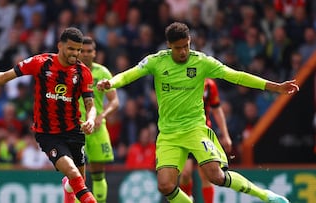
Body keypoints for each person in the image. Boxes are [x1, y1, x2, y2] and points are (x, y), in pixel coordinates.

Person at [97, 22, 299, 203]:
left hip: (195, 129)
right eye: (178, 48)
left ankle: (266, 196)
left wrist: (275, 87)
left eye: (186, 45)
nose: (184, 51)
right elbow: (129, 74)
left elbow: (236, 76)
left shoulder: (201, 62)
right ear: (169, 46)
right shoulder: (156, 61)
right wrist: (111, 83)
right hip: (168, 135)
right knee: (165, 186)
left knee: (216, 177)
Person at [0, 27, 98, 203]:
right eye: (71, 48)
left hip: (74, 130)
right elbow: (6, 76)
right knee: (75, 176)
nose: (75, 53)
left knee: (77, 181)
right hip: (48, 133)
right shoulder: (41, 63)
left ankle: (67, 186)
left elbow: (90, 104)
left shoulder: (83, 72)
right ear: (60, 46)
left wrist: (91, 119)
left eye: (78, 50)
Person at [62, 36, 119, 203]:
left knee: (98, 172)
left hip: (97, 127)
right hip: (75, 128)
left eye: (89, 51)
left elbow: (114, 101)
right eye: (83, 51)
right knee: (77, 174)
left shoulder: (102, 72)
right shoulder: (70, 71)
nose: (86, 54)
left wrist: (102, 116)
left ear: (95, 53)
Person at [179, 78, 232, 203]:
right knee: (185, 173)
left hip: (203, 133)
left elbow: (216, 109)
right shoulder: (181, 80)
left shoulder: (209, 85)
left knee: (207, 174)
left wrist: (225, 135)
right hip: (184, 132)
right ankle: (188, 199)